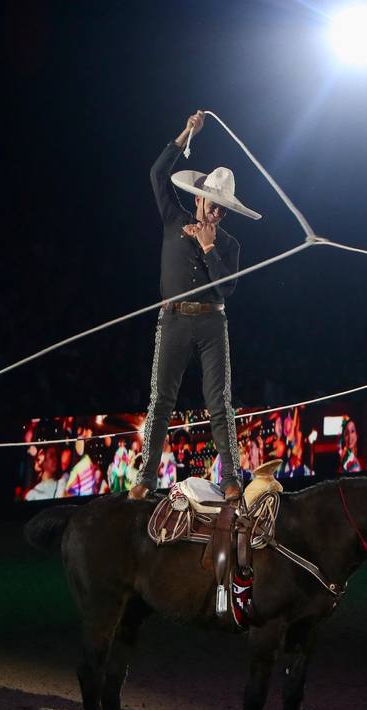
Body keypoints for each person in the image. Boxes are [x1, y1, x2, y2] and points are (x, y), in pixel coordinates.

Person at [130, 110, 259, 502]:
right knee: (162, 400)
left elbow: (227, 289)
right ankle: (146, 477)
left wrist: (207, 246)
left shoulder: (229, 245)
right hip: (172, 321)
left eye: (223, 209)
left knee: (218, 402)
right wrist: (187, 133)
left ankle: (232, 477)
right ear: (199, 198)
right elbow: (157, 175)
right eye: (213, 204)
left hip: (211, 325)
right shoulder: (174, 219)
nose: (217, 213)